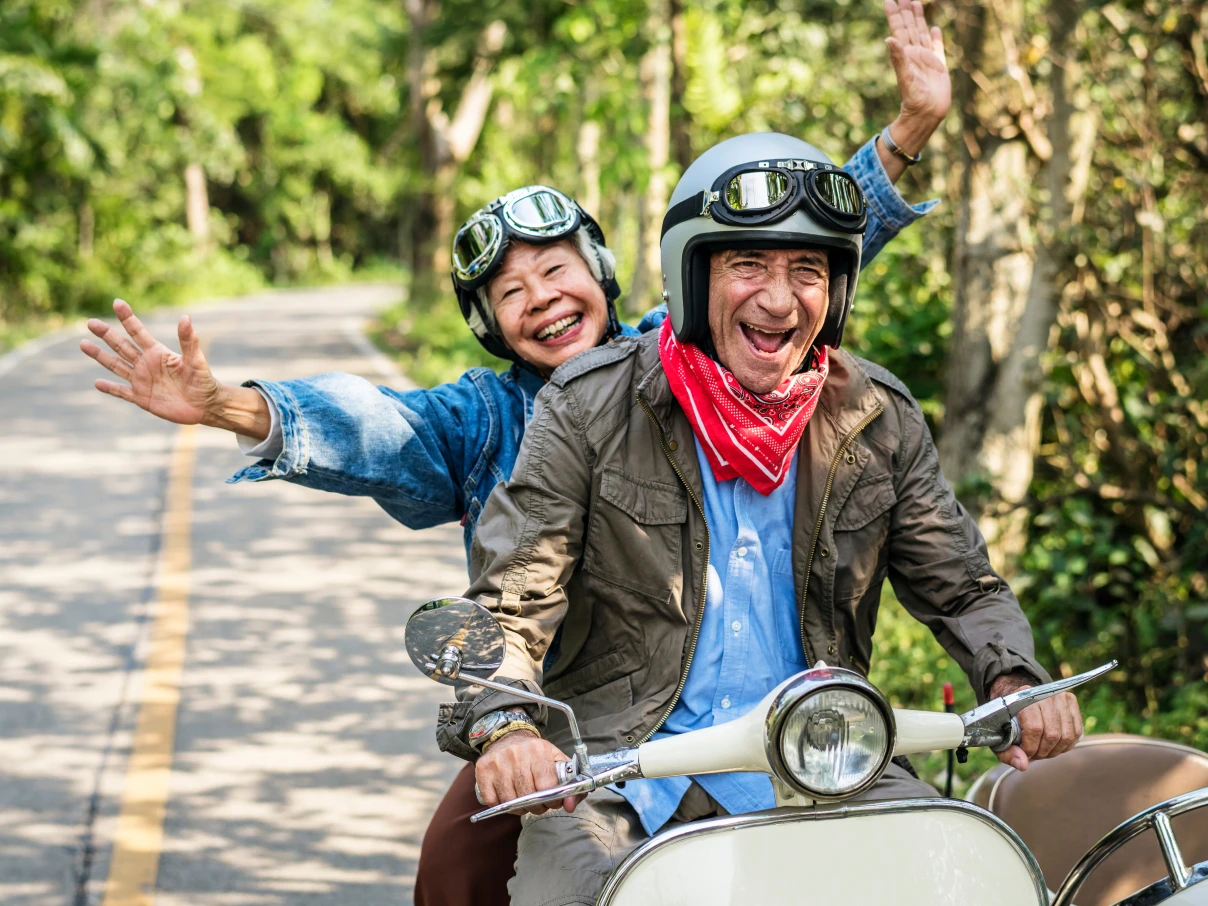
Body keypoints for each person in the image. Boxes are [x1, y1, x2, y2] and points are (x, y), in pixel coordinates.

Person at [77, 5, 951, 901]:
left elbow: (787, 262)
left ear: (607, 275)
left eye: (556, 269)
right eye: (510, 290)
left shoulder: (681, 360)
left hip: (753, 716)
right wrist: (230, 403)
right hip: (556, 722)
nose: (541, 298)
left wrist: (908, 132)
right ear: (488, 322)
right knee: (452, 874)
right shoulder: (486, 419)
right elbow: (371, 426)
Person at [443, 128, 1086, 906]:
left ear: (836, 290)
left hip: (830, 756)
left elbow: (962, 587)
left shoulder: (876, 417)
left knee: (964, 882)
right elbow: (511, 602)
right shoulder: (587, 404)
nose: (778, 299)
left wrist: (1015, 676)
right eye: (747, 264)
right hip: (624, 777)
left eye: (806, 270)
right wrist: (508, 727)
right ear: (692, 277)